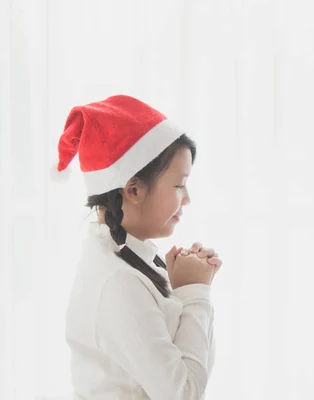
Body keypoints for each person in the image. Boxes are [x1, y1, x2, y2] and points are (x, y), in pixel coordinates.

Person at [54, 95, 221, 399]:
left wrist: (189, 288)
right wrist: (196, 293)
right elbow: (185, 393)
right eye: (179, 185)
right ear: (133, 189)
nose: (187, 198)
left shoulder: (132, 257)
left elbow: (192, 370)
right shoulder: (119, 282)